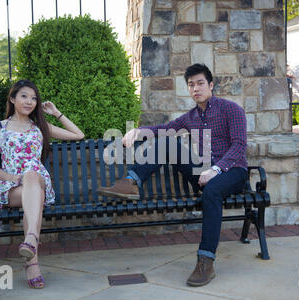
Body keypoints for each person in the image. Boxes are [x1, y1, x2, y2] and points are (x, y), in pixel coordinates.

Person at [98, 63, 248, 287]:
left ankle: (206, 261)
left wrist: (215, 170)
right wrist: (137, 131)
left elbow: (239, 146)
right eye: (191, 84)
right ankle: (131, 182)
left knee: (213, 192)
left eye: (200, 83)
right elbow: (163, 128)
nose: (195, 88)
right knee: (168, 140)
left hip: (232, 171)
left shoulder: (231, 110)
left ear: (211, 85)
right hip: (202, 172)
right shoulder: (190, 117)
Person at [0, 80, 84, 289]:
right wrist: (12, 179)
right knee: (31, 193)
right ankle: (32, 245)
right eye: (24, 96)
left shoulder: (40, 127)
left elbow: (78, 135)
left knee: (33, 177)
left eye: (34, 98)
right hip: (10, 188)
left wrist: (56, 113)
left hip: (36, 182)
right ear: (12, 99)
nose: (30, 102)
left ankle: (31, 249)